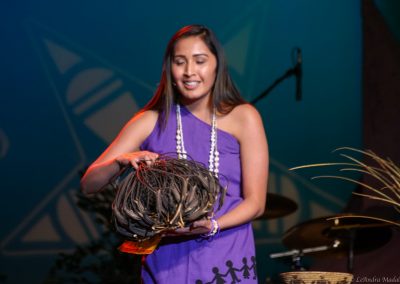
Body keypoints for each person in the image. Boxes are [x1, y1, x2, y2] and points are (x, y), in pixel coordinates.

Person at [81, 24, 269, 283]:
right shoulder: (149, 121)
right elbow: (89, 184)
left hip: (227, 253)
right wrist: (121, 160)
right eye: (180, 62)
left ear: (217, 65)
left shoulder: (244, 117)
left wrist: (213, 224)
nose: (190, 71)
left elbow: (256, 203)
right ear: (170, 68)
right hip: (167, 259)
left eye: (200, 61)